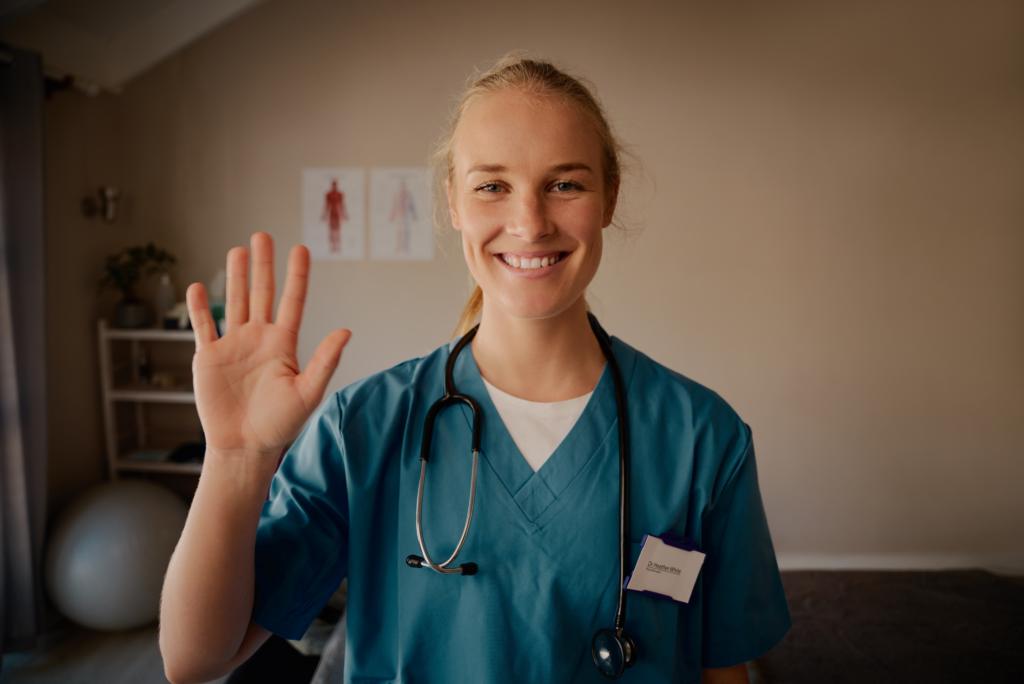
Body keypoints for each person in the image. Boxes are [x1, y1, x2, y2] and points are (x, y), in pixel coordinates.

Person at [159, 57, 791, 684]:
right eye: (492, 186)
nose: (530, 222)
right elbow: (195, 658)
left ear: (609, 198)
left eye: (565, 184)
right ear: (453, 204)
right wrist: (236, 459)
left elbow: (721, 668)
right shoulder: (367, 428)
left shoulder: (704, 437)